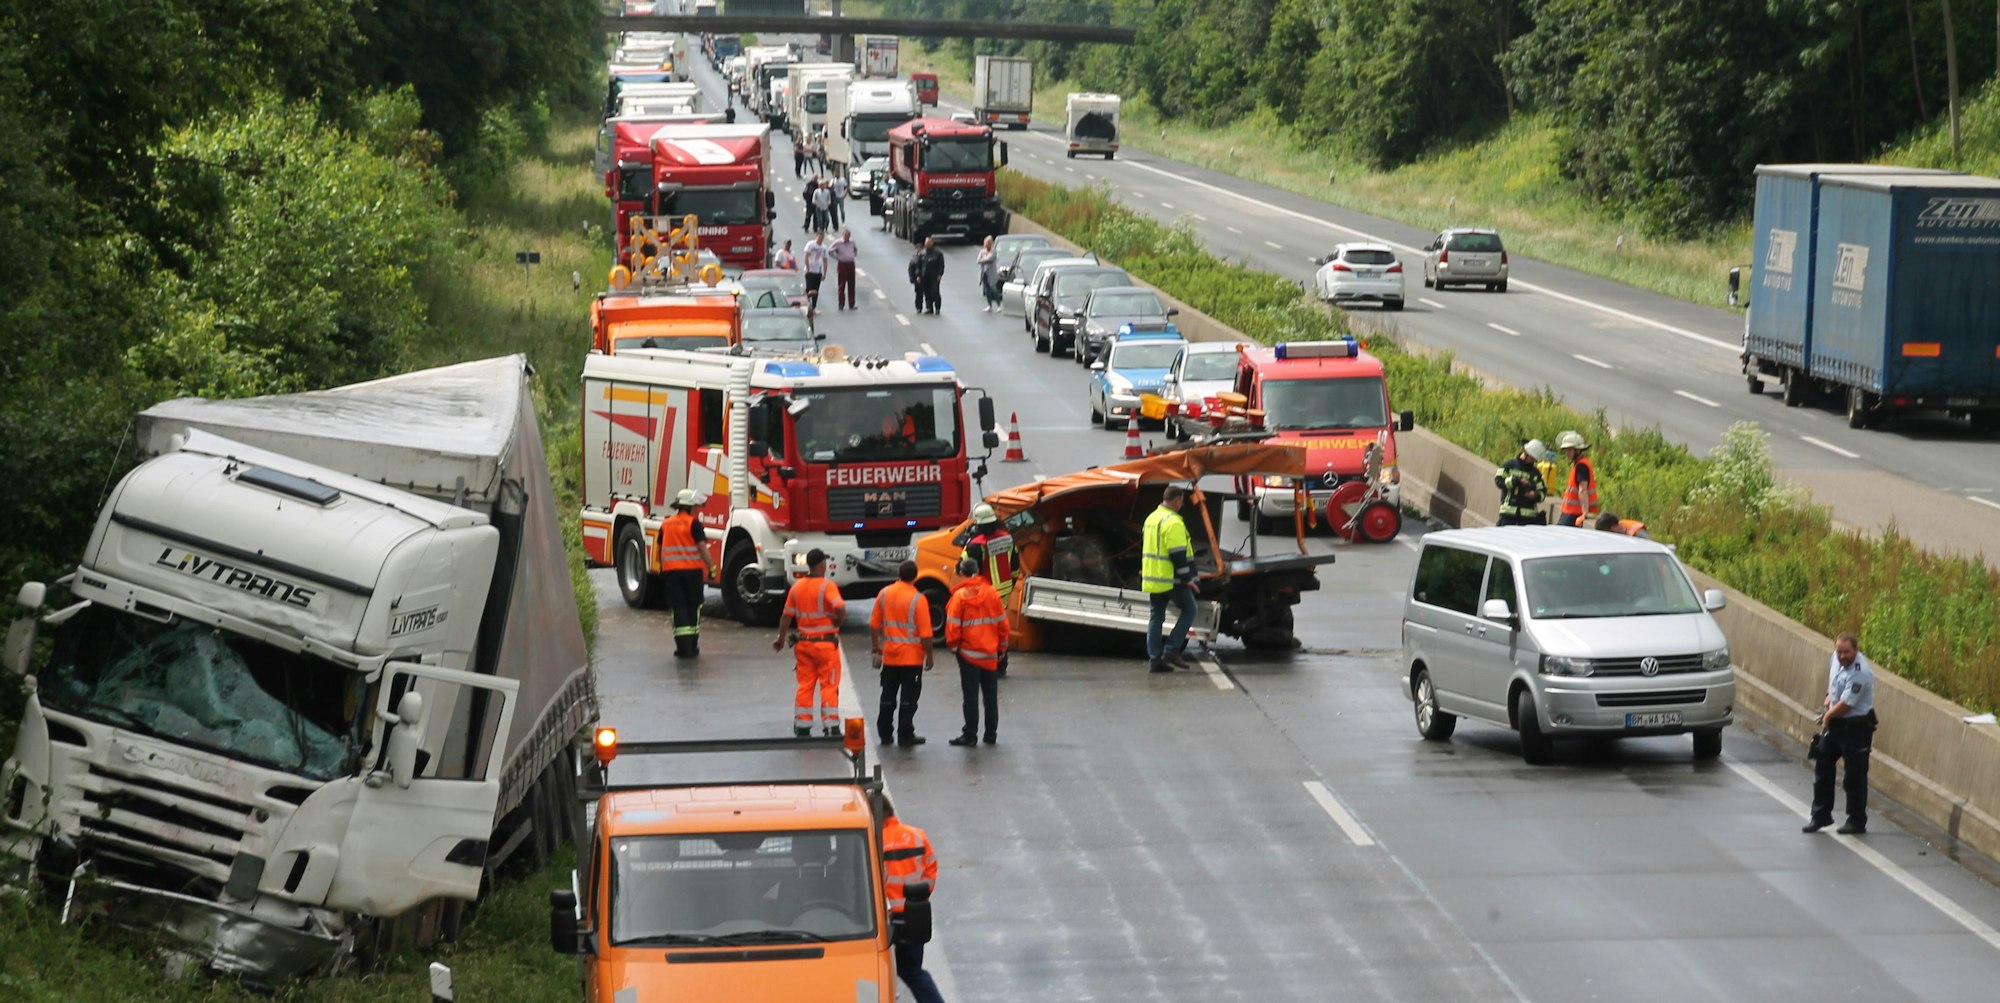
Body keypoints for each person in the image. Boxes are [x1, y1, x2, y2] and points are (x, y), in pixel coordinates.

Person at [1806, 632, 1878, 835]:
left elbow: (1847, 704)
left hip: (1856, 727)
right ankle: (1820, 816)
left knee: (1854, 777)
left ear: (1856, 650)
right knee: (1823, 767)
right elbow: (1833, 678)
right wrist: (1829, 695)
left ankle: (1856, 821)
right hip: (1836, 724)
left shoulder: (1861, 673)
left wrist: (1827, 717)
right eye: (1839, 651)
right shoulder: (1836, 658)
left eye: (1846, 652)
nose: (1842, 655)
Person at [774, 548, 847, 737]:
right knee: (829, 685)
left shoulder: (797, 587)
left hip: (803, 644)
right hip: (825, 645)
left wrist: (781, 639)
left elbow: (785, 616)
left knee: (805, 685)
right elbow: (839, 606)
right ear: (822, 564)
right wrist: (838, 620)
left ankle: (803, 726)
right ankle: (831, 726)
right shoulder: (827, 586)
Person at [880, 798, 947, 1003]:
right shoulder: (917, 836)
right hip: (915, 914)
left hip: (888, 918)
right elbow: (932, 868)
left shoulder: (876, 841)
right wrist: (920, 897)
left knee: (875, 968)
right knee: (913, 970)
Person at [870, 561, 934, 747]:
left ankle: (885, 733)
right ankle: (905, 733)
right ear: (915, 576)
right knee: (909, 699)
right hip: (912, 659)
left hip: (890, 656)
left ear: (899, 573)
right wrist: (929, 656)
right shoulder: (918, 599)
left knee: (887, 696)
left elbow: (874, 625)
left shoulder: (884, 594)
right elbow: (926, 634)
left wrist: (876, 647)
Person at [945, 557, 1006, 745]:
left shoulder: (960, 597)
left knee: (970, 696)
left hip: (968, 655)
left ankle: (970, 734)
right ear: (978, 571)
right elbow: (1002, 624)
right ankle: (991, 734)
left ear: (962, 573)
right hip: (989, 654)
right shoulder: (992, 594)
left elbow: (953, 626)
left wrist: (954, 647)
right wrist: (1002, 647)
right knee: (990, 696)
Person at [1142, 485, 1200, 673]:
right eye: (1182, 501)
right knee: (1190, 609)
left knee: (1156, 617)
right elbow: (1177, 554)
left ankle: (1155, 660)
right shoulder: (1173, 522)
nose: (1182, 505)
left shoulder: (1152, 518)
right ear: (1176, 500)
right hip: (1171, 578)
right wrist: (1187, 579)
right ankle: (1172, 649)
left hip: (1154, 576)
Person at [657, 488, 718, 658]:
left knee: (678, 608)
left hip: (672, 573)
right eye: (696, 507)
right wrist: (711, 568)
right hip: (692, 573)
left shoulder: (666, 524)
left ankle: (682, 647)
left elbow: (660, 550)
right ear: (690, 507)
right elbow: (702, 548)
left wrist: (662, 567)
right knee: (693, 607)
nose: (696, 510)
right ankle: (692, 646)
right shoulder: (693, 524)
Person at [958, 503, 1016, 606]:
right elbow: (1015, 567)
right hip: (1005, 592)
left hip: (984, 594)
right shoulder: (1008, 538)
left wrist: (967, 544)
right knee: (998, 619)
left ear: (978, 525)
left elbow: (959, 569)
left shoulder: (976, 545)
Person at [1495, 439, 1551, 526]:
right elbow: (1499, 481)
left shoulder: (1535, 473)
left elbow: (1542, 492)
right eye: (1532, 458)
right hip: (1508, 515)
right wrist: (1517, 481)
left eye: (1535, 459)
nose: (1533, 461)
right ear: (1526, 453)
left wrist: (1535, 495)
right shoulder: (1509, 465)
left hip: (1528, 518)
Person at [1555, 430, 1598, 528]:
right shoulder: (1581, 463)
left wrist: (1584, 513)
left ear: (1578, 450)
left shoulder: (1581, 466)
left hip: (1573, 513)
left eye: (1569, 450)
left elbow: (1582, 490)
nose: (1567, 453)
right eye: (1566, 450)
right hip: (1570, 511)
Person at [909, 236, 945, 315]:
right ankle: (929, 308)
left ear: (932, 243)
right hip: (924, 276)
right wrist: (918, 275)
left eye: (929, 243)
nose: (928, 244)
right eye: (926, 243)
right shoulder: (922, 253)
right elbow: (918, 266)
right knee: (927, 292)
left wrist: (940, 274)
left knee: (935, 291)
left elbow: (941, 265)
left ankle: (937, 307)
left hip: (934, 276)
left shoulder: (938, 253)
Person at [802, 231, 829, 319]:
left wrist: (824, 273)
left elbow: (825, 260)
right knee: (809, 289)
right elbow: (806, 256)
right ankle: (805, 305)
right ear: (816, 236)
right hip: (810, 271)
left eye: (822, 237)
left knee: (816, 290)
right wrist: (808, 267)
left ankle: (814, 307)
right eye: (819, 237)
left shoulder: (824, 248)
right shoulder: (811, 244)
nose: (820, 239)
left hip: (818, 271)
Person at [831, 228, 859, 309]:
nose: (847, 237)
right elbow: (830, 250)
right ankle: (841, 303)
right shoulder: (838, 242)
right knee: (841, 285)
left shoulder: (852, 242)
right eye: (845, 235)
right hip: (842, 264)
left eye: (848, 236)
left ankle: (852, 303)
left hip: (850, 264)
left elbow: (855, 250)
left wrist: (852, 256)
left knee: (852, 284)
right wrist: (838, 257)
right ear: (843, 235)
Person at [977, 236, 1002, 312]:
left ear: (991, 244)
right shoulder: (982, 251)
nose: (986, 245)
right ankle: (989, 305)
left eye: (988, 243)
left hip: (991, 274)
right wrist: (983, 260)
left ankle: (999, 305)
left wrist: (983, 259)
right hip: (984, 274)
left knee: (994, 289)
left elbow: (989, 259)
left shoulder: (993, 252)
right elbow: (978, 260)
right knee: (987, 290)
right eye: (985, 243)